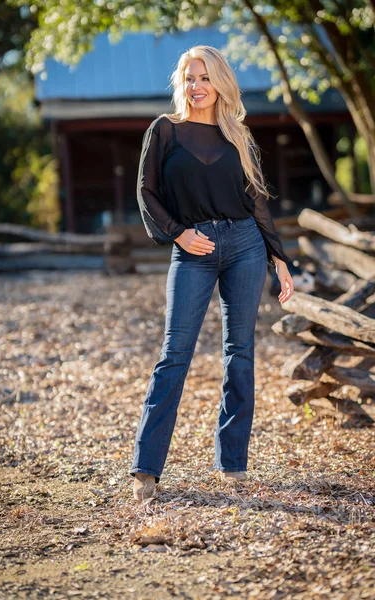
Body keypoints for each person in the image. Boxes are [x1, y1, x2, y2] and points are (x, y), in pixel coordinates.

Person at [129, 45, 294, 502]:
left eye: (204, 78)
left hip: (244, 246)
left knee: (239, 352)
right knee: (174, 354)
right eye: (188, 78)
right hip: (193, 247)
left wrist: (278, 260)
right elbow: (146, 192)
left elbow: (256, 201)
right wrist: (178, 234)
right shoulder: (165, 130)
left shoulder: (237, 135)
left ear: (220, 82)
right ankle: (146, 469)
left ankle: (233, 463)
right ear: (180, 84)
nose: (196, 86)